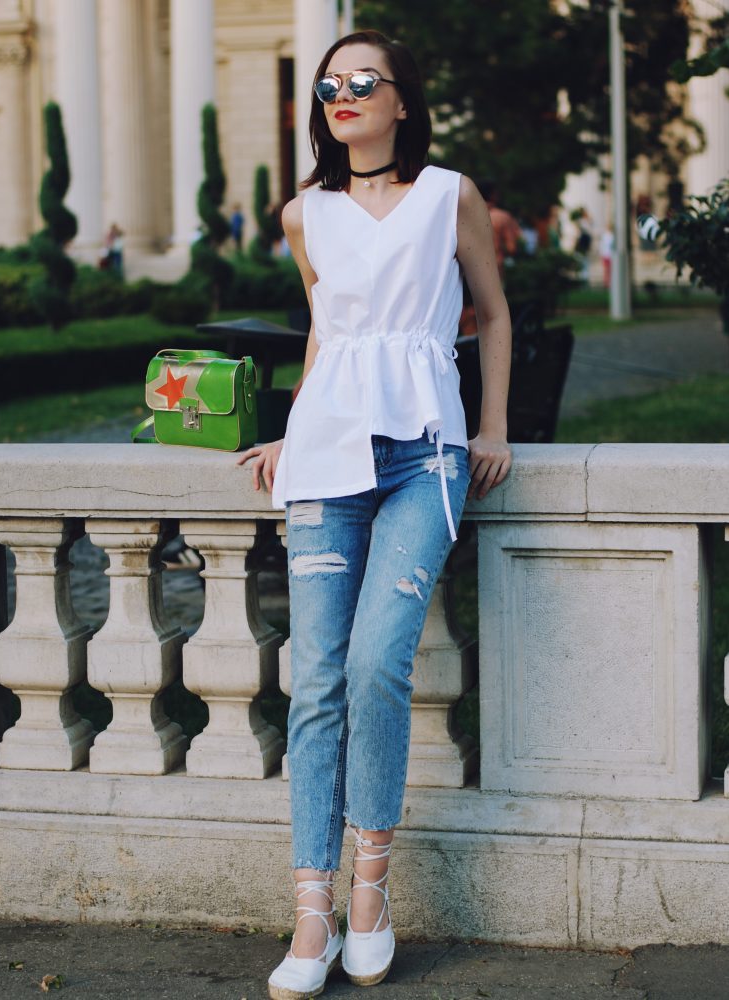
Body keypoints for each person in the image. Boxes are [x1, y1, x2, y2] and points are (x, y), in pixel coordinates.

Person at [236, 29, 512, 1000]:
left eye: (363, 82)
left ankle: (368, 893)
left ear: (401, 101)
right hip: (326, 459)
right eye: (328, 87)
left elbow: (493, 312)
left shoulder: (450, 196)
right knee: (313, 680)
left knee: (373, 662)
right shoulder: (302, 213)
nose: (343, 96)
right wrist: (291, 429)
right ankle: (310, 908)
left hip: (424, 457)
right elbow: (327, 331)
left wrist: (494, 426)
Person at [476, 178, 521, 281]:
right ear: (492, 195)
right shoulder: (502, 217)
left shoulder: (466, 215)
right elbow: (511, 248)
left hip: (468, 273)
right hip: (495, 270)